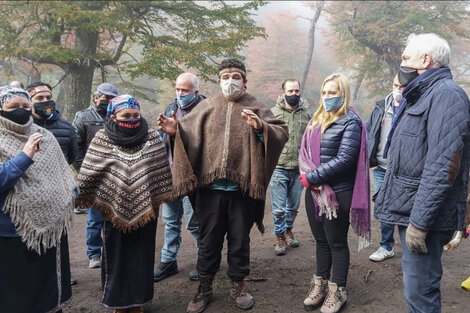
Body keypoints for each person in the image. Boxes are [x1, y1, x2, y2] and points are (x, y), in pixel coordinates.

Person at [158, 58, 288, 312]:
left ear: (245, 81)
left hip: (243, 191)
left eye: (236, 76)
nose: (231, 81)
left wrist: (260, 127)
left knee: (240, 242)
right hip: (210, 192)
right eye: (226, 76)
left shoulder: (256, 107)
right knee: (208, 242)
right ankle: (204, 288)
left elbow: (280, 132)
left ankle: (238, 285)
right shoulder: (206, 107)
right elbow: (188, 134)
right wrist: (176, 133)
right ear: (218, 81)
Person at [375, 33, 470, 313]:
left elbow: (443, 166)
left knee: (421, 294)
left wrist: (419, 222)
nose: (401, 63)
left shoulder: (446, 95)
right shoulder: (421, 95)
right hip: (413, 210)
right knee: (415, 291)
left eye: (406, 58)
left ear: (425, 60)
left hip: (423, 217)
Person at [75, 95, 173, 313]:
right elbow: (90, 172)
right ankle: (117, 302)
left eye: (135, 115)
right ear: (113, 116)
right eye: (126, 115)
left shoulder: (152, 138)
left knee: (141, 256)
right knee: (115, 256)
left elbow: (160, 171)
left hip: (146, 212)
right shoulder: (102, 138)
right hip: (112, 212)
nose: (131, 118)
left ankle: (138, 301)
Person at [0, 85, 76, 313]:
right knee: (17, 299)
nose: (21, 111)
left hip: (51, 230)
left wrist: (68, 194)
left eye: (26, 106)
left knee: (49, 294)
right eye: (14, 107)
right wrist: (24, 157)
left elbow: (64, 173)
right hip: (10, 234)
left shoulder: (47, 136)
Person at [299, 73, 370, 313]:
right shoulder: (316, 119)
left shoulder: (351, 121)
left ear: (343, 94)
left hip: (338, 193)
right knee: (320, 241)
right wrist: (309, 177)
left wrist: (311, 177)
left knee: (336, 242)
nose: (327, 97)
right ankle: (319, 285)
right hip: (315, 193)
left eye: (333, 93)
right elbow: (304, 152)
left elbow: (345, 159)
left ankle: (337, 290)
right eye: (325, 92)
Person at [154, 73, 204, 282]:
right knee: (170, 220)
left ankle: (206, 259)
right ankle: (168, 261)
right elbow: (164, 139)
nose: (180, 94)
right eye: (178, 89)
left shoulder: (206, 110)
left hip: (193, 178)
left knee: (194, 222)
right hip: (171, 175)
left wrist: (177, 132)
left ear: (196, 92)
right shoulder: (171, 107)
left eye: (185, 90)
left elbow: (206, 144)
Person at [72, 82, 118, 269]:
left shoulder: (116, 116)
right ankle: (94, 253)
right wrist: (85, 171)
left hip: (113, 175)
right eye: (104, 97)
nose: (106, 101)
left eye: (110, 98)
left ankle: (111, 251)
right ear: (96, 97)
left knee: (114, 215)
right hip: (91, 174)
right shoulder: (83, 117)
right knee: (93, 217)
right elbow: (76, 146)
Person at [270, 78, 311, 256]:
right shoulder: (272, 113)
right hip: (278, 166)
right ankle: (279, 236)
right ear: (283, 92)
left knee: (293, 207)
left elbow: (311, 139)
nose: (294, 94)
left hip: (298, 168)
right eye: (290, 91)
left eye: (296, 91)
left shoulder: (307, 115)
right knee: (279, 208)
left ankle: (288, 230)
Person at [366, 75, 404, 262]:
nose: (398, 89)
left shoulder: (416, 106)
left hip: (405, 171)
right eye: (395, 85)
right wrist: (370, 158)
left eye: (402, 86)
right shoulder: (381, 107)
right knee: (384, 207)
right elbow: (370, 131)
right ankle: (386, 246)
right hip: (381, 168)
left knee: (407, 208)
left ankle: (411, 247)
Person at [27, 82, 78, 165]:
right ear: (29, 102)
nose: (45, 101)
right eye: (40, 98)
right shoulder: (22, 127)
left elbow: (72, 156)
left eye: (48, 97)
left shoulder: (67, 128)